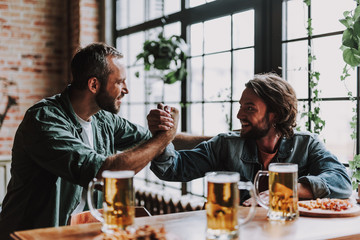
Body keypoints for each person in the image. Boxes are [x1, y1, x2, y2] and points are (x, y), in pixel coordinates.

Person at [0, 43, 182, 238]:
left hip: (76, 233)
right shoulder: (44, 120)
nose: (126, 90)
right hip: (28, 236)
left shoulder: (103, 119)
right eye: (120, 82)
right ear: (94, 85)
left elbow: (154, 141)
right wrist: (165, 136)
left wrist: (215, 142)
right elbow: (107, 170)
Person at [149, 73, 352, 204]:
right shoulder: (224, 145)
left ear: (276, 115)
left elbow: (341, 182)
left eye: (249, 108)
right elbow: (172, 169)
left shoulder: (306, 144)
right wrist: (162, 136)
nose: (239, 115)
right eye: (240, 106)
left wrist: (283, 191)